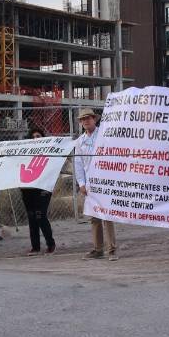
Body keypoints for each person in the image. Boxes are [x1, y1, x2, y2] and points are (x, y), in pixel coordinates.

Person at [74, 108, 116, 260]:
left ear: (94, 119)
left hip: (104, 180)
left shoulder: (104, 135)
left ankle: (111, 250)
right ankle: (98, 249)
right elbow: (78, 163)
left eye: (88, 118)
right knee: (94, 217)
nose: (86, 121)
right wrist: (81, 183)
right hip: (90, 183)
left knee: (107, 216)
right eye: (83, 119)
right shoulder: (80, 141)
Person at [21, 126, 56, 256]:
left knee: (40, 215)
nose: (36, 139)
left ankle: (50, 244)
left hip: (43, 188)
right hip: (28, 189)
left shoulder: (49, 152)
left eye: (38, 136)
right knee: (31, 218)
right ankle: (35, 247)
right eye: (33, 137)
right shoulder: (25, 152)